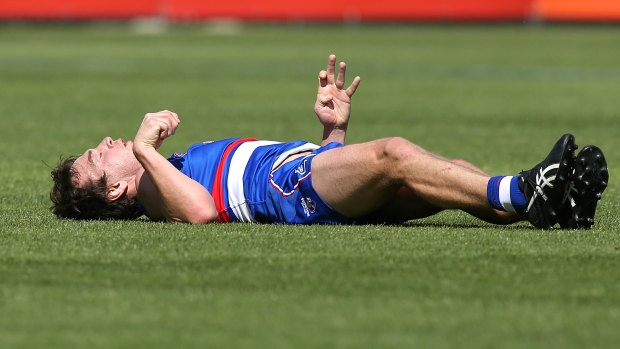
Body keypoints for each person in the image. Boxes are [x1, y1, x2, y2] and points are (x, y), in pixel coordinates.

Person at [50, 55, 608, 229]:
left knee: (452, 172)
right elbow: (200, 213)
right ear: (118, 190)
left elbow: (278, 170)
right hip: (305, 195)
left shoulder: (162, 171)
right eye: (99, 157)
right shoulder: (151, 189)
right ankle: (528, 191)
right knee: (394, 152)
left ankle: (554, 207)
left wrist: (332, 133)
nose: (104, 142)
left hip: (314, 177)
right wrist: (144, 149)